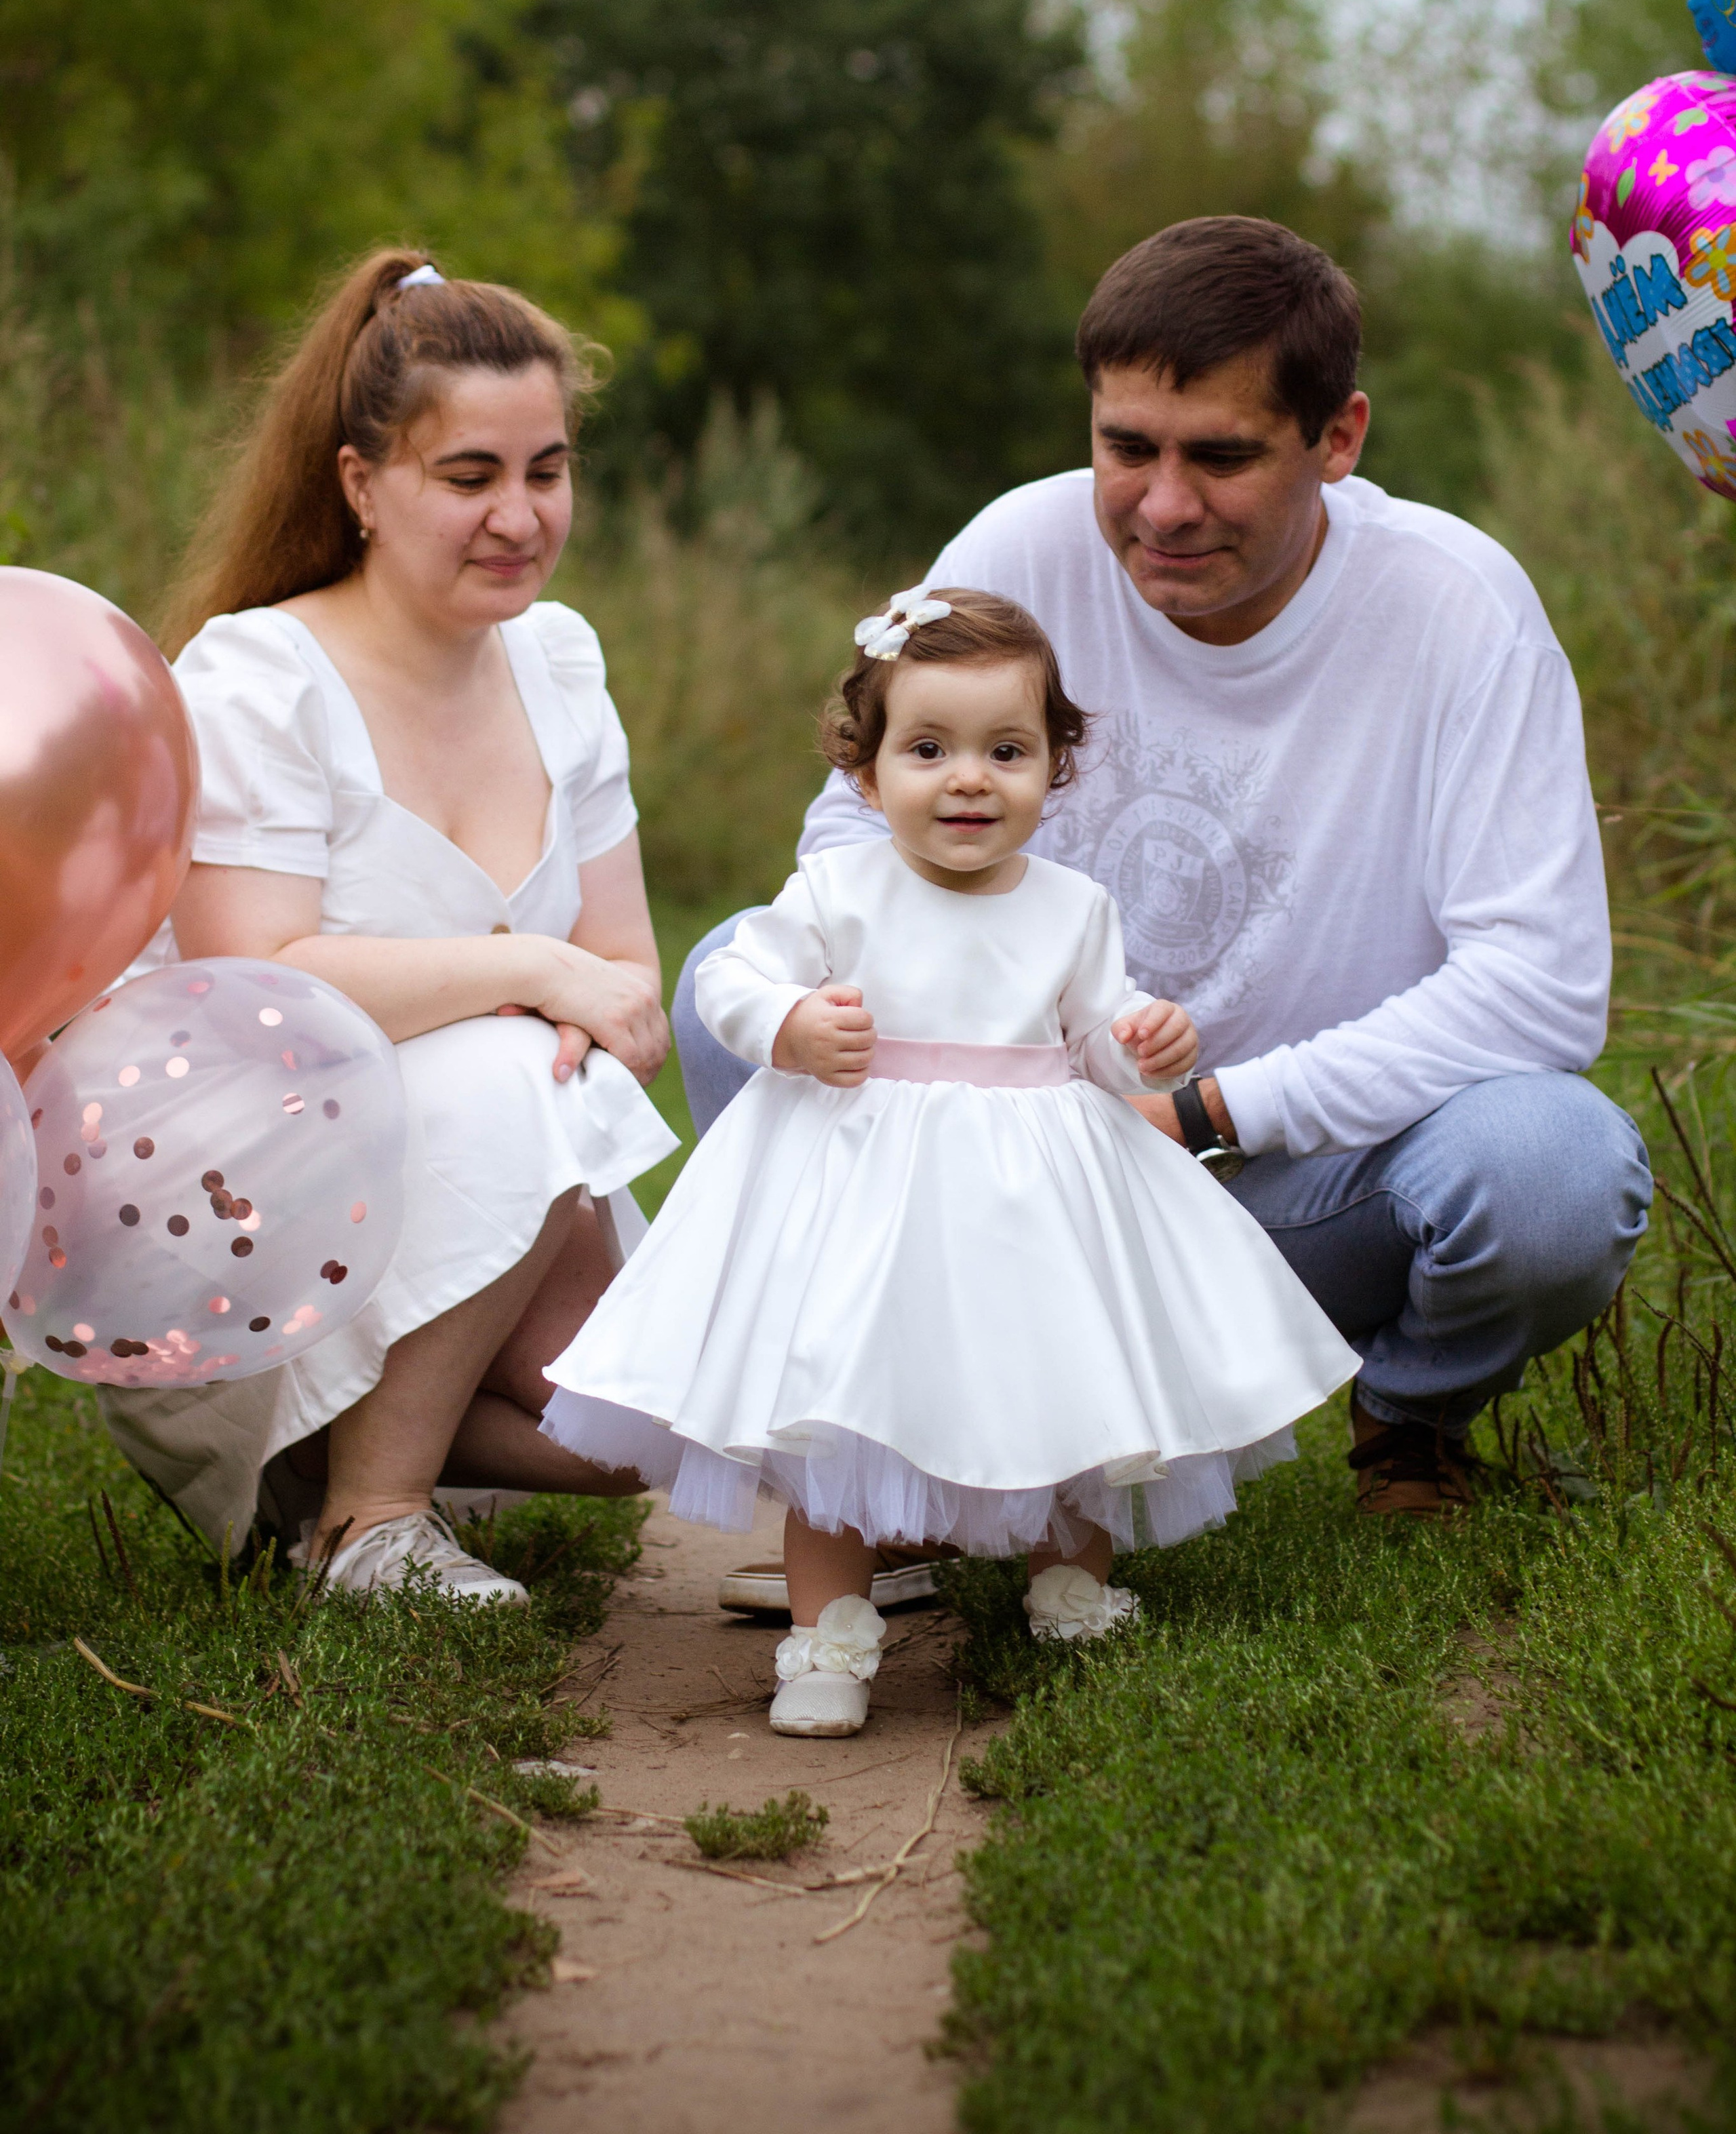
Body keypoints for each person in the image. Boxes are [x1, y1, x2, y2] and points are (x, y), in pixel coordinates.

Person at [675, 214, 1653, 1585]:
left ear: (1338, 437)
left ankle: (1408, 1414)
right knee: (733, 978)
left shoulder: (1456, 611)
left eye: (1221, 456)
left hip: (1293, 1191)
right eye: (1126, 448)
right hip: (1000, 1177)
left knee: (1550, 1165)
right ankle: (870, 1448)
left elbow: (1539, 986)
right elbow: (847, 839)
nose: (1162, 504)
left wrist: (1209, 1108)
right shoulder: (1016, 552)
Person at [541, 591, 1360, 1735]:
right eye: (929, 750)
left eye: (1006, 751)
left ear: (1054, 769)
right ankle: (827, 1636)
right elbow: (731, 976)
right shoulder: (841, 889)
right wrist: (788, 1025)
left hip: (1033, 1194)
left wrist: (1143, 1043)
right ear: (867, 775)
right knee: (836, 1413)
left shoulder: (1075, 907)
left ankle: (1070, 1581)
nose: (969, 778)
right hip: (866, 1187)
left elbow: (1095, 1033)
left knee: (1060, 1385)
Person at [100, 250, 679, 1604]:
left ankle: (322, 1438)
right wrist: (536, 976)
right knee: (512, 1062)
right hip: (248, 1191)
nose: (520, 517)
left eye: (547, 470)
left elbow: (630, 968)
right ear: (362, 484)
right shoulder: (260, 677)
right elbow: (260, 985)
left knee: (634, 1436)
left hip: (497, 1148)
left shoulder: (559, 660)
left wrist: (608, 1006)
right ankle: (367, 1523)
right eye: (467, 477)